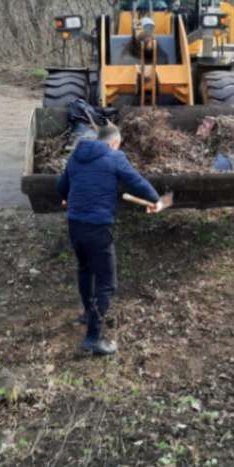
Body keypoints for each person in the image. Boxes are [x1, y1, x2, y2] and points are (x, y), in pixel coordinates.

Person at [57, 124, 166, 356]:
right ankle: (93, 339)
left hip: (75, 224)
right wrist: (156, 200)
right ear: (114, 143)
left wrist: (66, 197)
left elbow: (61, 186)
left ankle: (88, 313)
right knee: (107, 282)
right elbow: (136, 182)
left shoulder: (76, 156)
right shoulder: (115, 157)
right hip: (97, 227)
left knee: (85, 269)